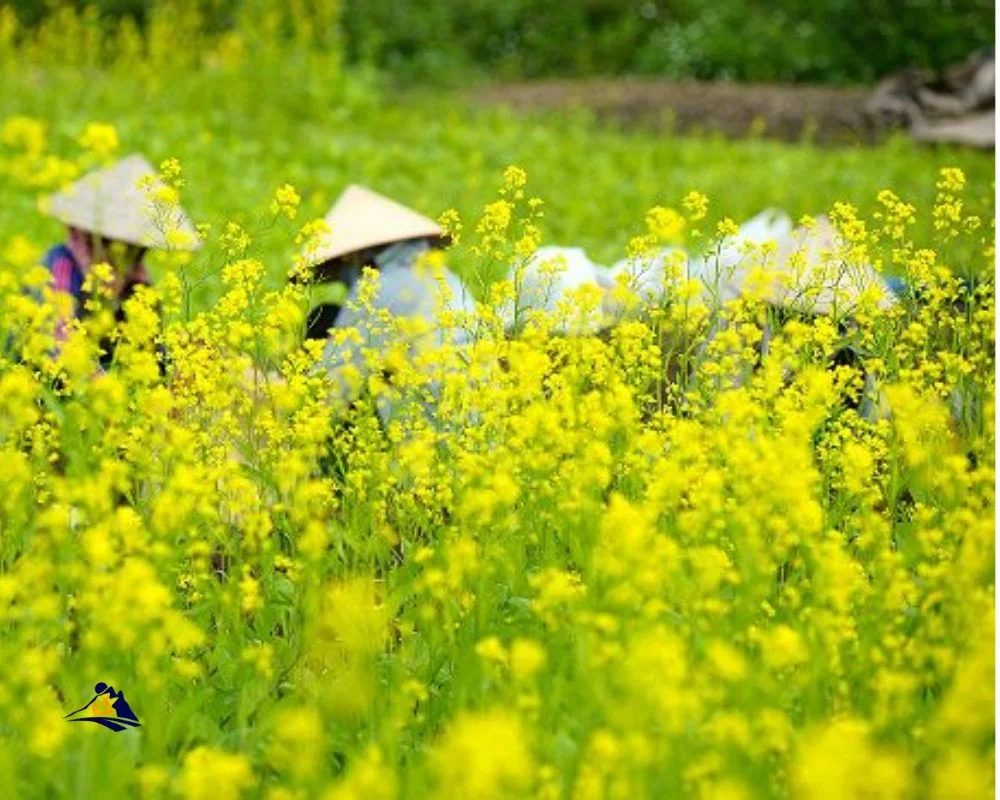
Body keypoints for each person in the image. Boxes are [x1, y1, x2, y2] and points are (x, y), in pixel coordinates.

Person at [41, 154, 200, 362]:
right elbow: (57, 344)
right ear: (88, 237)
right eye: (109, 244)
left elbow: (153, 354)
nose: (121, 257)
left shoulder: (138, 285)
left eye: (133, 249)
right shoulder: (61, 267)